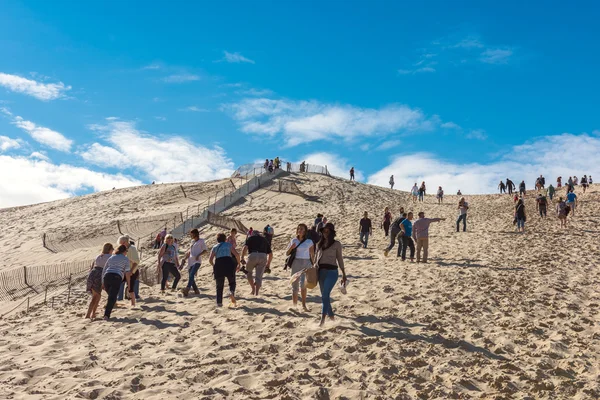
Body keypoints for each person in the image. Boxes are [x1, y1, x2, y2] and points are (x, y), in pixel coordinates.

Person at [315, 222, 346, 327]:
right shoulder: (319, 244)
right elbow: (316, 259)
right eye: (324, 231)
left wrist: (344, 273)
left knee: (325, 294)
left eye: (327, 231)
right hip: (320, 272)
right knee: (324, 297)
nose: (325, 233)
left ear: (332, 232)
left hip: (332, 272)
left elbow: (339, 258)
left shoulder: (337, 244)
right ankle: (332, 317)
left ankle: (322, 320)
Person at [285, 224, 314, 310]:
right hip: (296, 262)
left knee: (303, 285)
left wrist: (314, 264)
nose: (300, 230)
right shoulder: (293, 240)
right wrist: (291, 247)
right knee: (295, 285)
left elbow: (312, 254)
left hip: (306, 263)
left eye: (302, 229)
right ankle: (294, 306)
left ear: (305, 231)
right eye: (299, 229)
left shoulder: (309, 241)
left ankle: (304, 305)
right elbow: (287, 253)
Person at [209, 233, 240, 307]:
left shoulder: (215, 247)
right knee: (232, 281)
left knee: (219, 286)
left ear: (217, 240)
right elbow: (237, 255)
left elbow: (210, 259)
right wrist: (238, 263)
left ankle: (219, 303)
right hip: (228, 263)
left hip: (219, 264)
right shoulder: (228, 245)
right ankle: (231, 292)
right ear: (225, 239)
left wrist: (214, 265)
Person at [102, 245, 131, 320]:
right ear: (124, 251)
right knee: (112, 297)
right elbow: (127, 273)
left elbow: (104, 269)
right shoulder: (125, 259)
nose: (126, 253)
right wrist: (129, 284)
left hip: (107, 276)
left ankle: (107, 313)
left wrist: (102, 281)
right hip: (116, 277)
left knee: (111, 296)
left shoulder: (112, 257)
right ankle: (106, 315)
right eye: (126, 251)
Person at [86, 243, 114, 319]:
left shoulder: (99, 256)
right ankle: (88, 315)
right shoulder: (110, 257)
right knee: (96, 296)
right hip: (100, 275)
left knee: (97, 296)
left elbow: (92, 266)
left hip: (93, 274)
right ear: (109, 249)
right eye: (112, 249)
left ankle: (93, 314)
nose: (113, 251)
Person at [241, 231, 273, 296]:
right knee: (259, 276)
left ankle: (253, 289)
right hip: (263, 256)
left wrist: (242, 257)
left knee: (248, 272)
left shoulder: (250, 238)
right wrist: (268, 264)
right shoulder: (264, 239)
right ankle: (257, 293)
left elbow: (245, 248)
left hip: (253, 255)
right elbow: (270, 254)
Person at [182, 229, 208, 297]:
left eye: (192, 234)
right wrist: (185, 258)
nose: (191, 235)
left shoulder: (201, 241)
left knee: (191, 274)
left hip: (197, 261)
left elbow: (205, 250)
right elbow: (190, 252)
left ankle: (187, 289)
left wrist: (199, 255)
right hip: (190, 261)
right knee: (191, 276)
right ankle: (196, 290)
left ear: (195, 234)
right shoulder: (192, 241)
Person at [117, 236, 140, 305]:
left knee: (130, 287)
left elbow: (136, 261)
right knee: (119, 283)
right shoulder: (123, 249)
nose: (121, 245)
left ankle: (133, 304)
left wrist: (131, 271)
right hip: (124, 271)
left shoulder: (132, 249)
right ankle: (119, 299)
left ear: (126, 242)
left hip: (132, 271)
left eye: (122, 243)